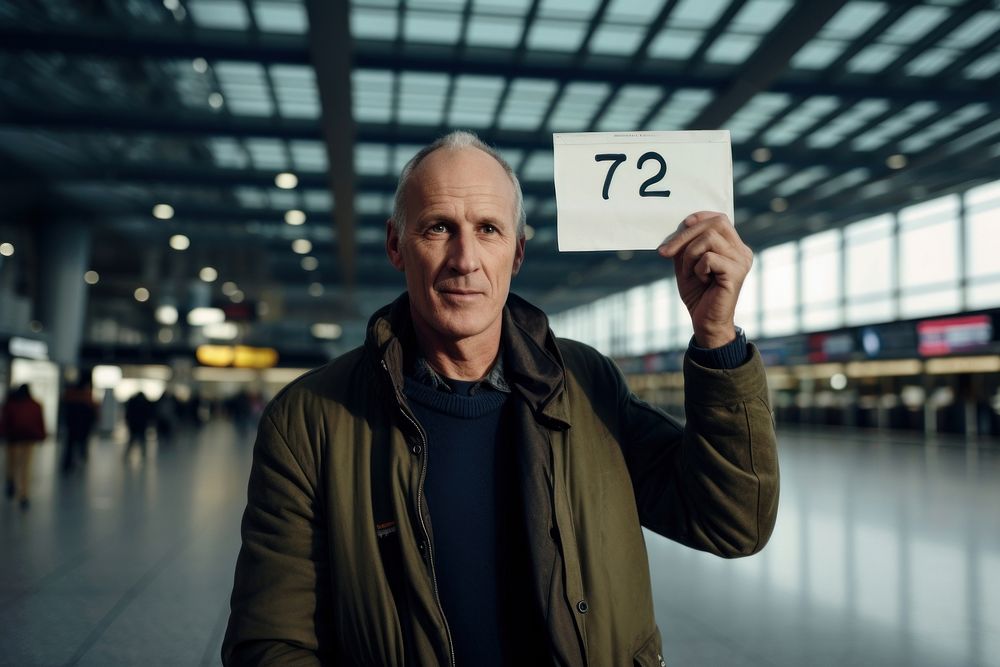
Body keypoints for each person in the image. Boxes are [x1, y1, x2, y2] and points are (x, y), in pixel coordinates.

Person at [223, 131, 779, 666]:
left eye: (488, 229)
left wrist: (717, 339)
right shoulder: (310, 420)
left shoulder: (585, 385)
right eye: (439, 227)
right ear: (396, 244)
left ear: (516, 253)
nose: (465, 259)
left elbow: (732, 523)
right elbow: (270, 641)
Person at [1, 384, 47, 509]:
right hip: (29, 438)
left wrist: (3, 433)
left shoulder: (11, 404)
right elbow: (40, 421)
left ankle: (10, 479)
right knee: (26, 466)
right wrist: (42, 435)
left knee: (11, 462)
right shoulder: (36, 405)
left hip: (13, 438)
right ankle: (24, 494)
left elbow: (4, 421)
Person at [61, 376, 98, 472]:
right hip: (82, 427)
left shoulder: (71, 395)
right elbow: (92, 413)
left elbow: (65, 410)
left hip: (72, 426)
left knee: (70, 445)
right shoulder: (86, 396)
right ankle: (79, 462)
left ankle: (69, 463)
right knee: (80, 445)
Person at [123, 391, 153, 459]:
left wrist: (128, 422)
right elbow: (149, 414)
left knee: (132, 441)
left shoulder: (133, 402)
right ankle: (144, 455)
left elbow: (128, 413)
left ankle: (126, 455)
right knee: (141, 441)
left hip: (134, 424)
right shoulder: (145, 402)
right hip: (141, 424)